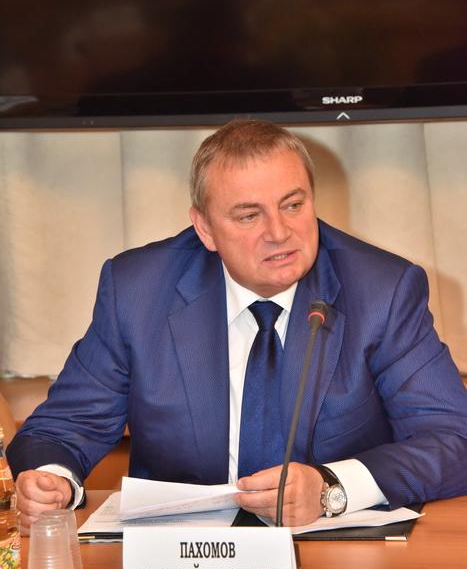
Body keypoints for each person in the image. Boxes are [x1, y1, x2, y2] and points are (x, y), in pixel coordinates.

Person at [7, 119, 467, 534]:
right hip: (181, 562)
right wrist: (51, 481)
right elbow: (60, 429)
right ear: (205, 229)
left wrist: (330, 487)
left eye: (293, 205)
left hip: (337, 556)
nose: (279, 232)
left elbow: (454, 440)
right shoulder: (138, 291)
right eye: (249, 215)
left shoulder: (382, 290)